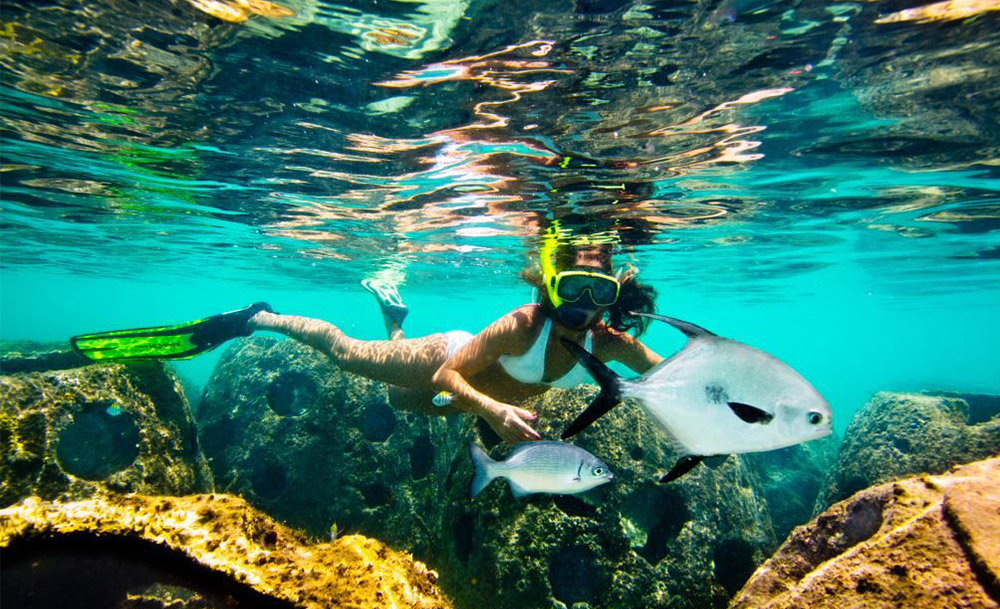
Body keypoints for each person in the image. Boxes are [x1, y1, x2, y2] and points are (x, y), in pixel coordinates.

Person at [71, 236, 663, 443]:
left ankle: (395, 311)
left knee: (403, 407)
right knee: (350, 356)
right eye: (572, 289)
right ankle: (256, 316)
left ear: (616, 293)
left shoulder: (608, 342)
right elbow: (446, 376)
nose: (583, 308)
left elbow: (675, 373)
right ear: (548, 286)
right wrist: (491, 408)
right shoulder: (521, 325)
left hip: (464, 399)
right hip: (446, 362)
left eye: (598, 292)